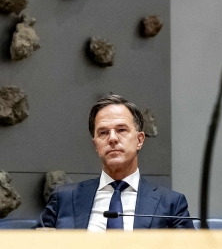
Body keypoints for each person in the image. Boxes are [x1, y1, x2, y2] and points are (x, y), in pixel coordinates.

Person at [40, 95, 194, 230]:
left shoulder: (170, 203)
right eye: (103, 132)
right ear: (96, 145)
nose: (112, 138)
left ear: (139, 140)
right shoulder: (64, 198)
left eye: (121, 130)